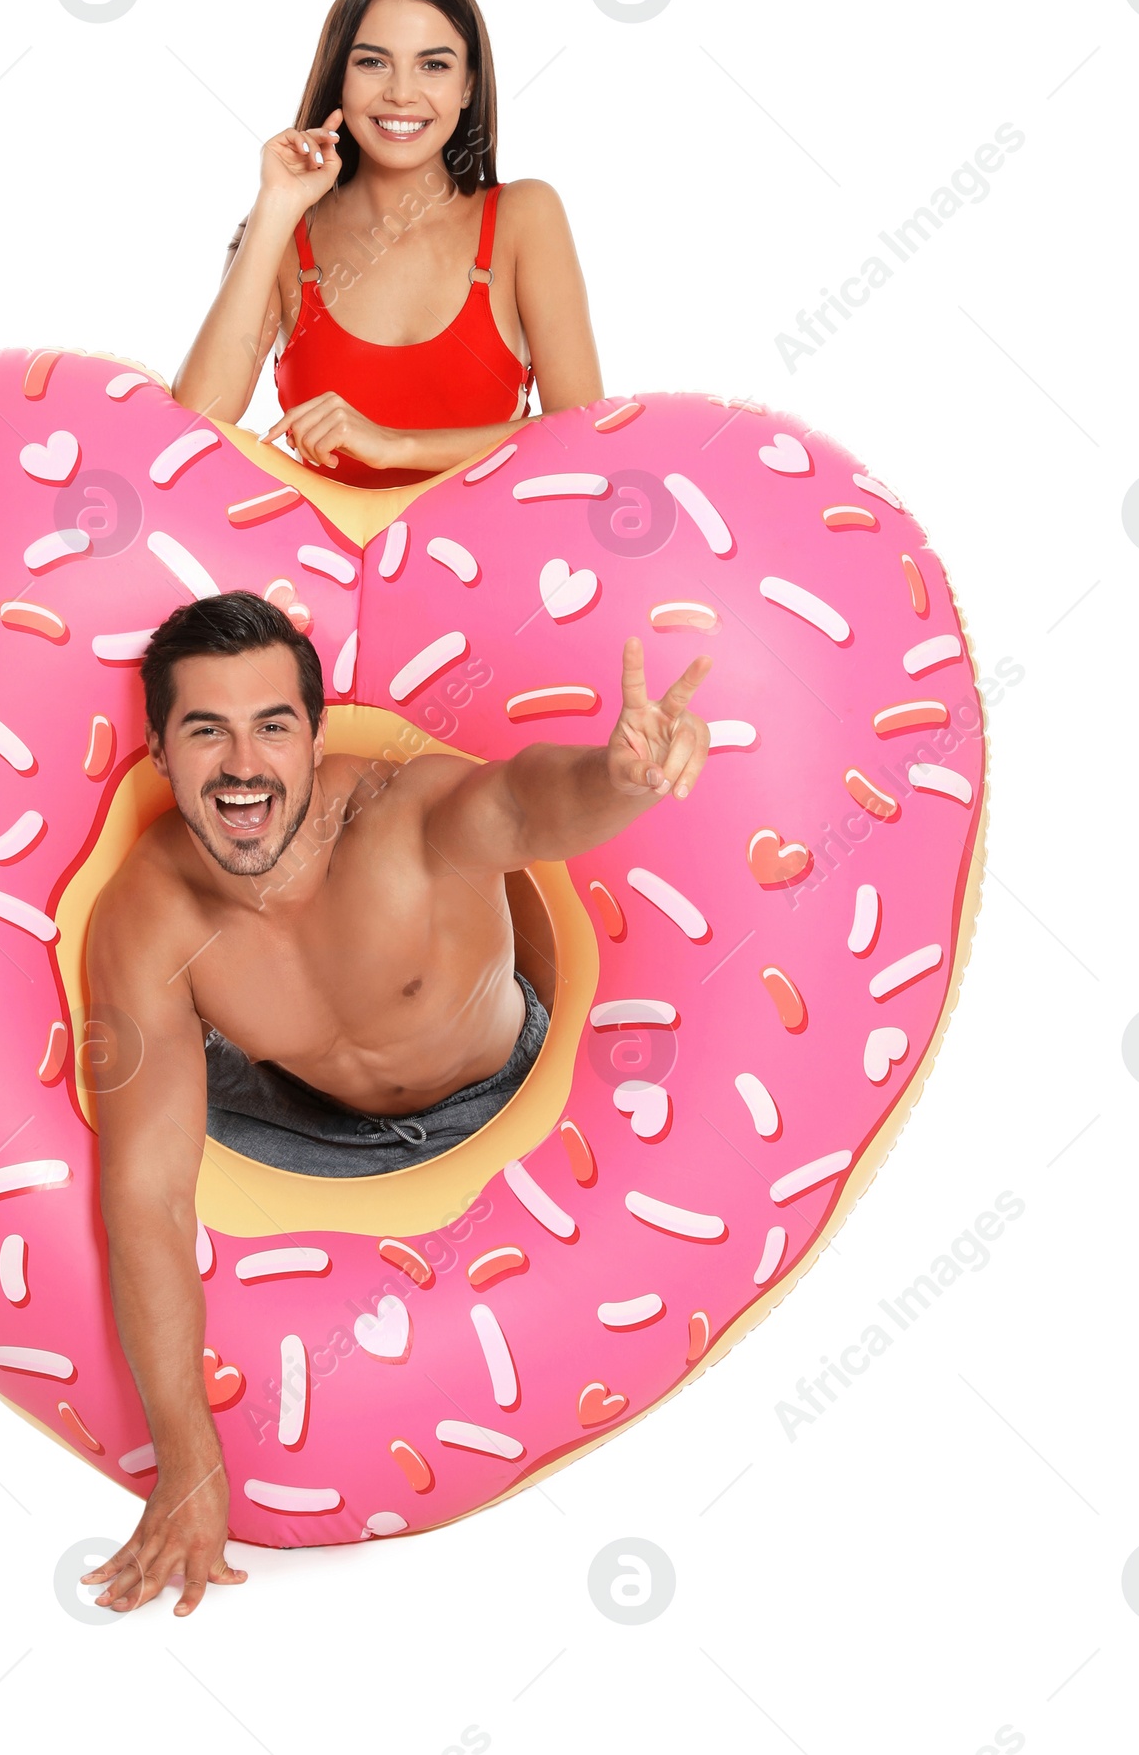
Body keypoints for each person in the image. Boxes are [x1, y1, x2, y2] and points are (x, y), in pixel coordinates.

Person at [80, 593, 712, 1618]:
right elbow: (148, 1187)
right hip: (290, 1118)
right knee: (140, 1101)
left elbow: (525, 802)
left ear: (313, 733)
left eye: (272, 726)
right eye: (207, 730)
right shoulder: (147, 912)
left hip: (492, 1101)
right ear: (158, 748)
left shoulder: (407, 812)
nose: (243, 764)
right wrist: (188, 1458)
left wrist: (618, 778)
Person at [172, 0, 606, 489]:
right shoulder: (284, 234)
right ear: (339, 79)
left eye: (434, 65)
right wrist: (276, 205)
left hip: (490, 565)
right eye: (373, 62)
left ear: (468, 87)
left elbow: (585, 436)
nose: (401, 92)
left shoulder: (524, 217)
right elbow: (197, 418)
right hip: (321, 565)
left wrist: (393, 445)